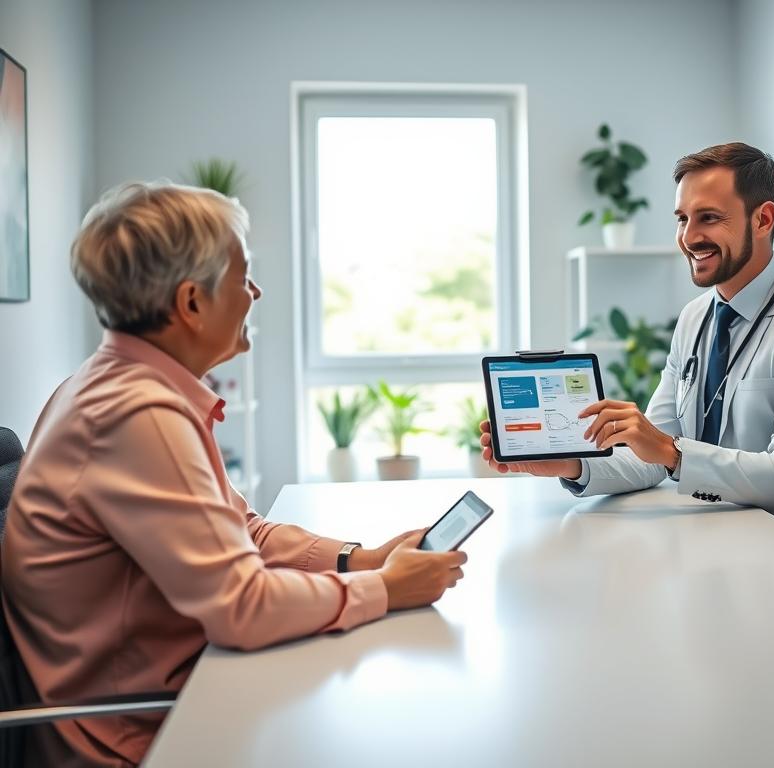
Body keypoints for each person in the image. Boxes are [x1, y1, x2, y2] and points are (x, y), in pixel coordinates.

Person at [1, 181, 467, 767]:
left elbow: (242, 528)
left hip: (170, 695)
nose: (256, 293)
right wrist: (388, 589)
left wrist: (360, 559)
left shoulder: (113, 383)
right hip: (139, 737)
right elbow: (242, 608)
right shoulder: (137, 415)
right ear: (192, 303)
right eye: (243, 277)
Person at [482, 142, 774, 548]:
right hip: (718, 540)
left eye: (709, 218)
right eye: (682, 218)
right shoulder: (695, 317)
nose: (688, 237)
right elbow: (651, 459)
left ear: (763, 219)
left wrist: (671, 451)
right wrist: (573, 464)